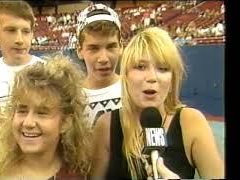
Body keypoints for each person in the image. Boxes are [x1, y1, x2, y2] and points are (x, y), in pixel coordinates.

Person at [90, 27, 224, 179]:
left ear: (172, 79)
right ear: (125, 75)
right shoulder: (106, 126)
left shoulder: (191, 123)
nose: (152, 77)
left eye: (163, 69)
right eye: (140, 67)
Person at [0, 54, 92, 180]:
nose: (28, 123)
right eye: (22, 110)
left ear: (65, 122)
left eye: (42, 113)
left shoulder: (76, 175)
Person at [0, 0, 44, 133]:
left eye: (26, 31)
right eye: (11, 30)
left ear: (32, 34)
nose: (19, 40)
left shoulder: (48, 72)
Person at [76, 3, 123, 127]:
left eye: (111, 47)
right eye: (93, 48)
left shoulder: (135, 91)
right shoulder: (71, 99)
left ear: (121, 46)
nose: (103, 59)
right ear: (80, 51)